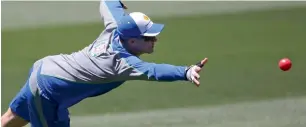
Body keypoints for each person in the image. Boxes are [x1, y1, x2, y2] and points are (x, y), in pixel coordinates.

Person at [1, 0, 208, 127]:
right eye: (149, 37)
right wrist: (186, 72)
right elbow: (153, 71)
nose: (155, 40)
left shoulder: (117, 26)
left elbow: (108, 3)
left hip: (44, 68)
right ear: (132, 41)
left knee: (11, 119)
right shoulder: (122, 62)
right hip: (48, 92)